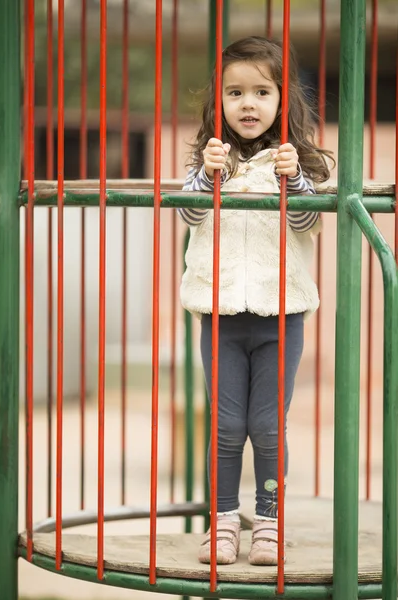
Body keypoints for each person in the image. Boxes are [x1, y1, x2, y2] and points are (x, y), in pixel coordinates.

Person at [178, 36, 334, 567]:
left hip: (280, 312)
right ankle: (221, 524)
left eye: (261, 92)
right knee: (226, 425)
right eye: (235, 92)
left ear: (281, 101)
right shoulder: (210, 160)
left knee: (267, 425)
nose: (248, 104)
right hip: (220, 313)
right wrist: (206, 175)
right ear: (217, 101)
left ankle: (268, 521)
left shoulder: (298, 162)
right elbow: (190, 219)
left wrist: (295, 183)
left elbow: (308, 225)